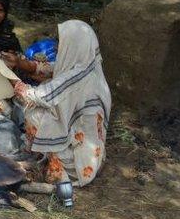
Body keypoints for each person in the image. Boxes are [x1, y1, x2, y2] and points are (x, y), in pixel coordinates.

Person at [8, 20, 111, 186]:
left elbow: (33, 95)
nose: (56, 47)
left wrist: (11, 79)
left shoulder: (76, 76)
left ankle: (54, 165)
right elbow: (49, 69)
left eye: (61, 42)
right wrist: (19, 62)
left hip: (76, 160)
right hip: (91, 151)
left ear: (75, 44)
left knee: (34, 114)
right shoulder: (89, 66)